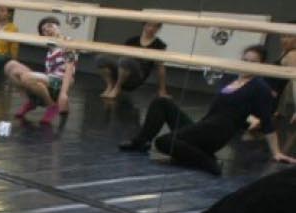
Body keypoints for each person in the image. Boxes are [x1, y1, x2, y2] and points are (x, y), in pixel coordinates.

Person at [117, 46, 295, 175]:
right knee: (161, 102)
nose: (247, 64)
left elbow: (267, 121)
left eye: (253, 62)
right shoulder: (231, 78)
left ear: (261, 65)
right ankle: (141, 142)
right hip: (204, 126)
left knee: (163, 142)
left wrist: (277, 152)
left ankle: (207, 161)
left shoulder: (259, 87)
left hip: (216, 134)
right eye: (245, 60)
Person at [2, 16, 75, 125]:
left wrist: (63, 94)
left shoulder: (67, 41)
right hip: (49, 79)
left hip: (60, 82)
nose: (48, 30)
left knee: (27, 77)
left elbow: (69, 68)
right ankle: (31, 101)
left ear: (58, 27)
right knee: (10, 66)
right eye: (44, 30)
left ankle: (51, 106)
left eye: (50, 26)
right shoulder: (51, 48)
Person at [96, 22, 169, 99]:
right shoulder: (132, 40)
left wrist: (162, 90)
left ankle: (117, 88)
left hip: (138, 76)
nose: (151, 29)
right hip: (123, 72)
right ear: (144, 25)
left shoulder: (159, 44)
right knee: (101, 58)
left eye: (155, 27)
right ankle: (110, 86)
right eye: (149, 25)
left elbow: (160, 68)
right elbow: (121, 61)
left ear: (158, 28)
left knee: (126, 60)